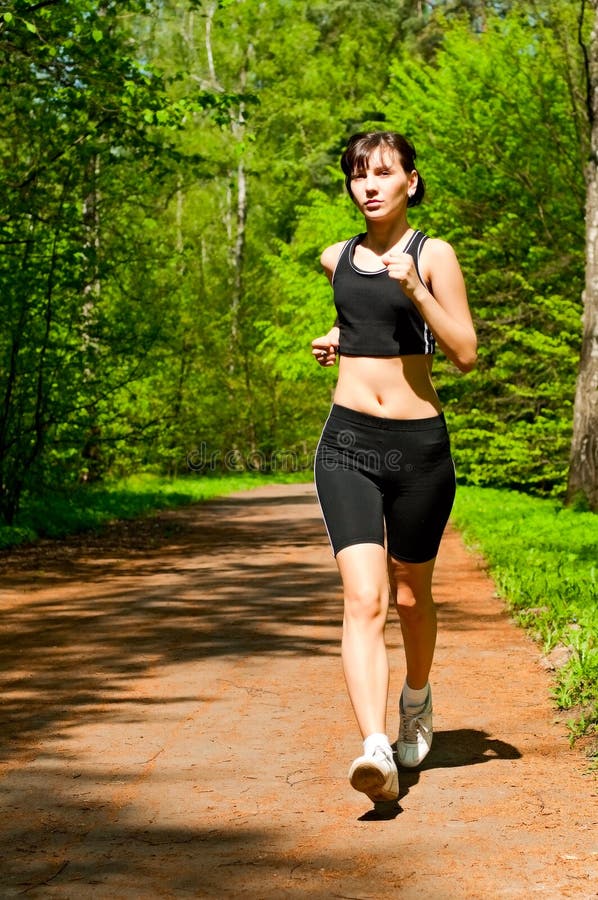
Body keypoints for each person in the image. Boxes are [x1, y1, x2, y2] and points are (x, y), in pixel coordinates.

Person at [311, 131, 477, 806]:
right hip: (348, 440)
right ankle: (375, 746)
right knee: (364, 598)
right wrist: (337, 337)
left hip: (419, 449)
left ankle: (416, 698)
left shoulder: (432, 254)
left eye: (383, 173)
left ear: (411, 180)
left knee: (410, 595)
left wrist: (415, 289)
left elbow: (464, 351)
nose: (369, 185)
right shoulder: (336, 257)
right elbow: (359, 319)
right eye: (358, 176)